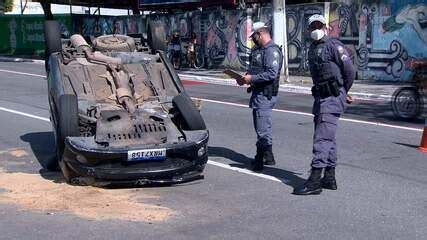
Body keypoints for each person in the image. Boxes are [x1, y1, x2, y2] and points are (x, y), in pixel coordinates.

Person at [293, 14, 355, 195]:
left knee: (321, 139)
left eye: (319, 26)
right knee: (329, 139)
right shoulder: (313, 48)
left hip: (332, 97)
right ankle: (329, 177)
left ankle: (314, 181)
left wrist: (343, 91)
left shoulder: (334, 46)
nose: (316, 30)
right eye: (313, 27)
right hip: (321, 98)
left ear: (326, 27)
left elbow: (349, 71)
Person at [238, 22, 283, 172]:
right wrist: (247, 80)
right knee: (263, 126)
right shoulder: (259, 50)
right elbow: (256, 71)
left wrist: (251, 79)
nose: (253, 39)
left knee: (262, 128)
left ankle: (259, 159)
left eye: (254, 36)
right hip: (259, 92)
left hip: (265, 94)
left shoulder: (272, 51)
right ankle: (268, 156)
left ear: (261, 34)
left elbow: (271, 74)